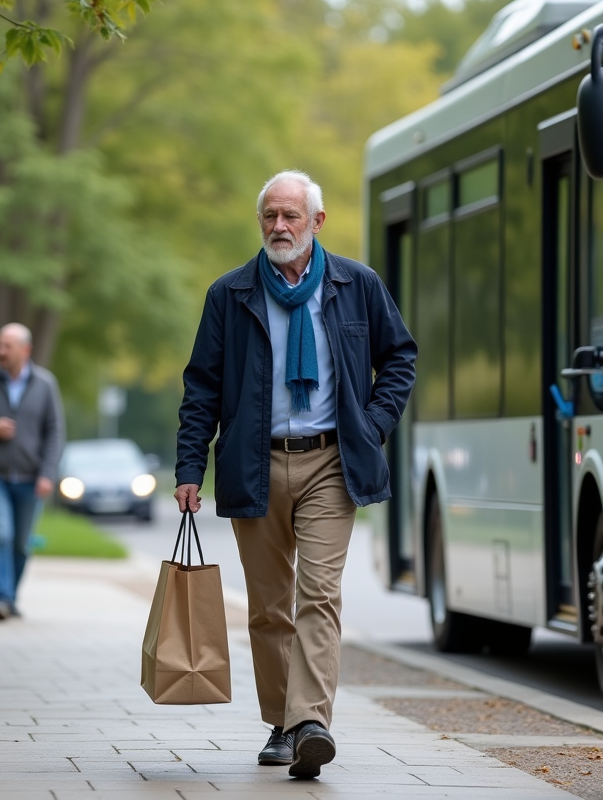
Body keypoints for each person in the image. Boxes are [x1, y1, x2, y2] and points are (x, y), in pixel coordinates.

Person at [174, 170, 416, 780]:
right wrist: (187, 467)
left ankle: (310, 722)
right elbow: (201, 386)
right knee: (268, 606)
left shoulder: (356, 285)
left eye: (290, 216)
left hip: (332, 462)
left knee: (319, 595)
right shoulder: (229, 295)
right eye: (270, 217)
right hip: (253, 463)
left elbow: (400, 358)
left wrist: (373, 423)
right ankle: (281, 724)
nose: (279, 227)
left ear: (317, 221)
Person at [0, 323, 65, 622]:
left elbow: (54, 432)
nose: (1, 352)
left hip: (31, 478)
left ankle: (10, 596)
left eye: (7, 346)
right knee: (0, 534)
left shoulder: (45, 384)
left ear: (26, 350)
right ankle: (0, 598)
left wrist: (48, 473)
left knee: (21, 543)